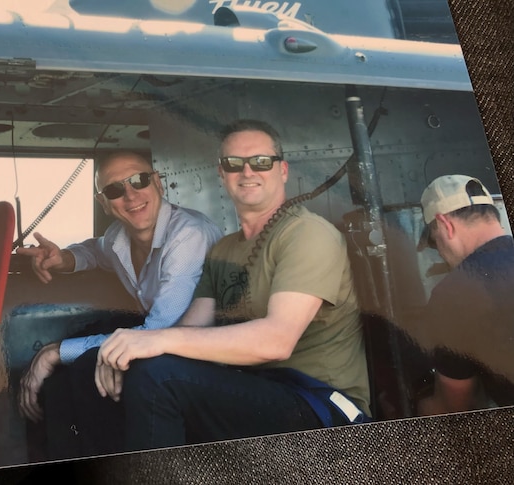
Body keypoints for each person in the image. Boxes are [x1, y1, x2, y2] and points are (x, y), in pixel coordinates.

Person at [97, 120, 371, 452]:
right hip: (256, 389)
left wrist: (150, 339)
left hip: (320, 404)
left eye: (260, 162)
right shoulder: (224, 250)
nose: (247, 171)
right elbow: (191, 329)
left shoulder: (308, 234)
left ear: (282, 170)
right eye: (233, 164)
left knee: (159, 377)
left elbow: (277, 341)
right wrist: (125, 354)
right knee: (134, 368)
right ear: (221, 174)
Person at [16, 151, 222, 457]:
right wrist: (64, 259)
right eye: (114, 189)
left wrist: (56, 352)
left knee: (86, 369)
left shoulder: (188, 235)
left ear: (158, 184)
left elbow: (160, 330)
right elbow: (95, 251)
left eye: (139, 181)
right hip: (163, 349)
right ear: (103, 203)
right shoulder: (118, 238)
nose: (130, 195)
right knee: (60, 388)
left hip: (210, 357)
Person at [414, 174, 514, 415]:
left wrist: (417, 405)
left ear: (445, 224)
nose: (440, 254)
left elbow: (455, 409)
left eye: (435, 243)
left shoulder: (453, 294)